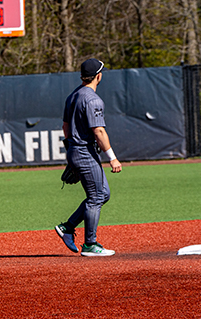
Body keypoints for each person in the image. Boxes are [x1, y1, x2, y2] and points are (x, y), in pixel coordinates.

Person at [55, 58, 122, 257]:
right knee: (96, 197)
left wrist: (71, 151)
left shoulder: (73, 95)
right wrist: (112, 157)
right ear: (98, 76)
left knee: (103, 194)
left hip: (76, 150)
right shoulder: (92, 99)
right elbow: (99, 131)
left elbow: (65, 127)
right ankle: (90, 244)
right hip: (85, 151)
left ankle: (68, 227)